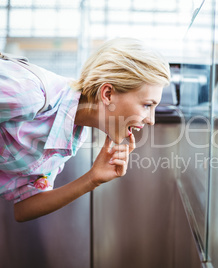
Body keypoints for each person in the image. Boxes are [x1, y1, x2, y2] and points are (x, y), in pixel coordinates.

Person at [0, 38, 171, 222]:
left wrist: (92, 179)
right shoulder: (30, 94)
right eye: (147, 105)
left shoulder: (73, 134)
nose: (151, 120)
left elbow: (24, 208)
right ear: (107, 94)